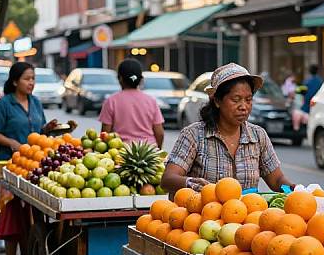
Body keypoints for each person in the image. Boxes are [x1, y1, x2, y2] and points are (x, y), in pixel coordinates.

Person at [161, 62, 295, 194]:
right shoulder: (193, 135)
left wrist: (295, 189)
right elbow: (168, 179)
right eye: (236, 100)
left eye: (248, 100)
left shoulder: (258, 136)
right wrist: (190, 183)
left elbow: (277, 180)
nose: (244, 107)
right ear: (217, 101)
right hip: (205, 213)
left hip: (246, 213)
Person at [0, 62, 58, 255]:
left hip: (33, 166)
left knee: (33, 215)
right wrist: (11, 143)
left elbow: (39, 131)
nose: (31, 83)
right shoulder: (4, 104)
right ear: (15, 80)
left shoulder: (36, 102)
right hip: (9, 166)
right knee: (11, 214)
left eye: (33, 78)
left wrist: (48, 130)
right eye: (27, 78)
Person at [99, 59, 165, 147]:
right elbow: (159, 133)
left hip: (121, 152)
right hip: (148, 151)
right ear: (141, 79)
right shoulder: (151, 101)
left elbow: (105, 134)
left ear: (120, 78)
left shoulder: (111, 101)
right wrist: (158, 150)